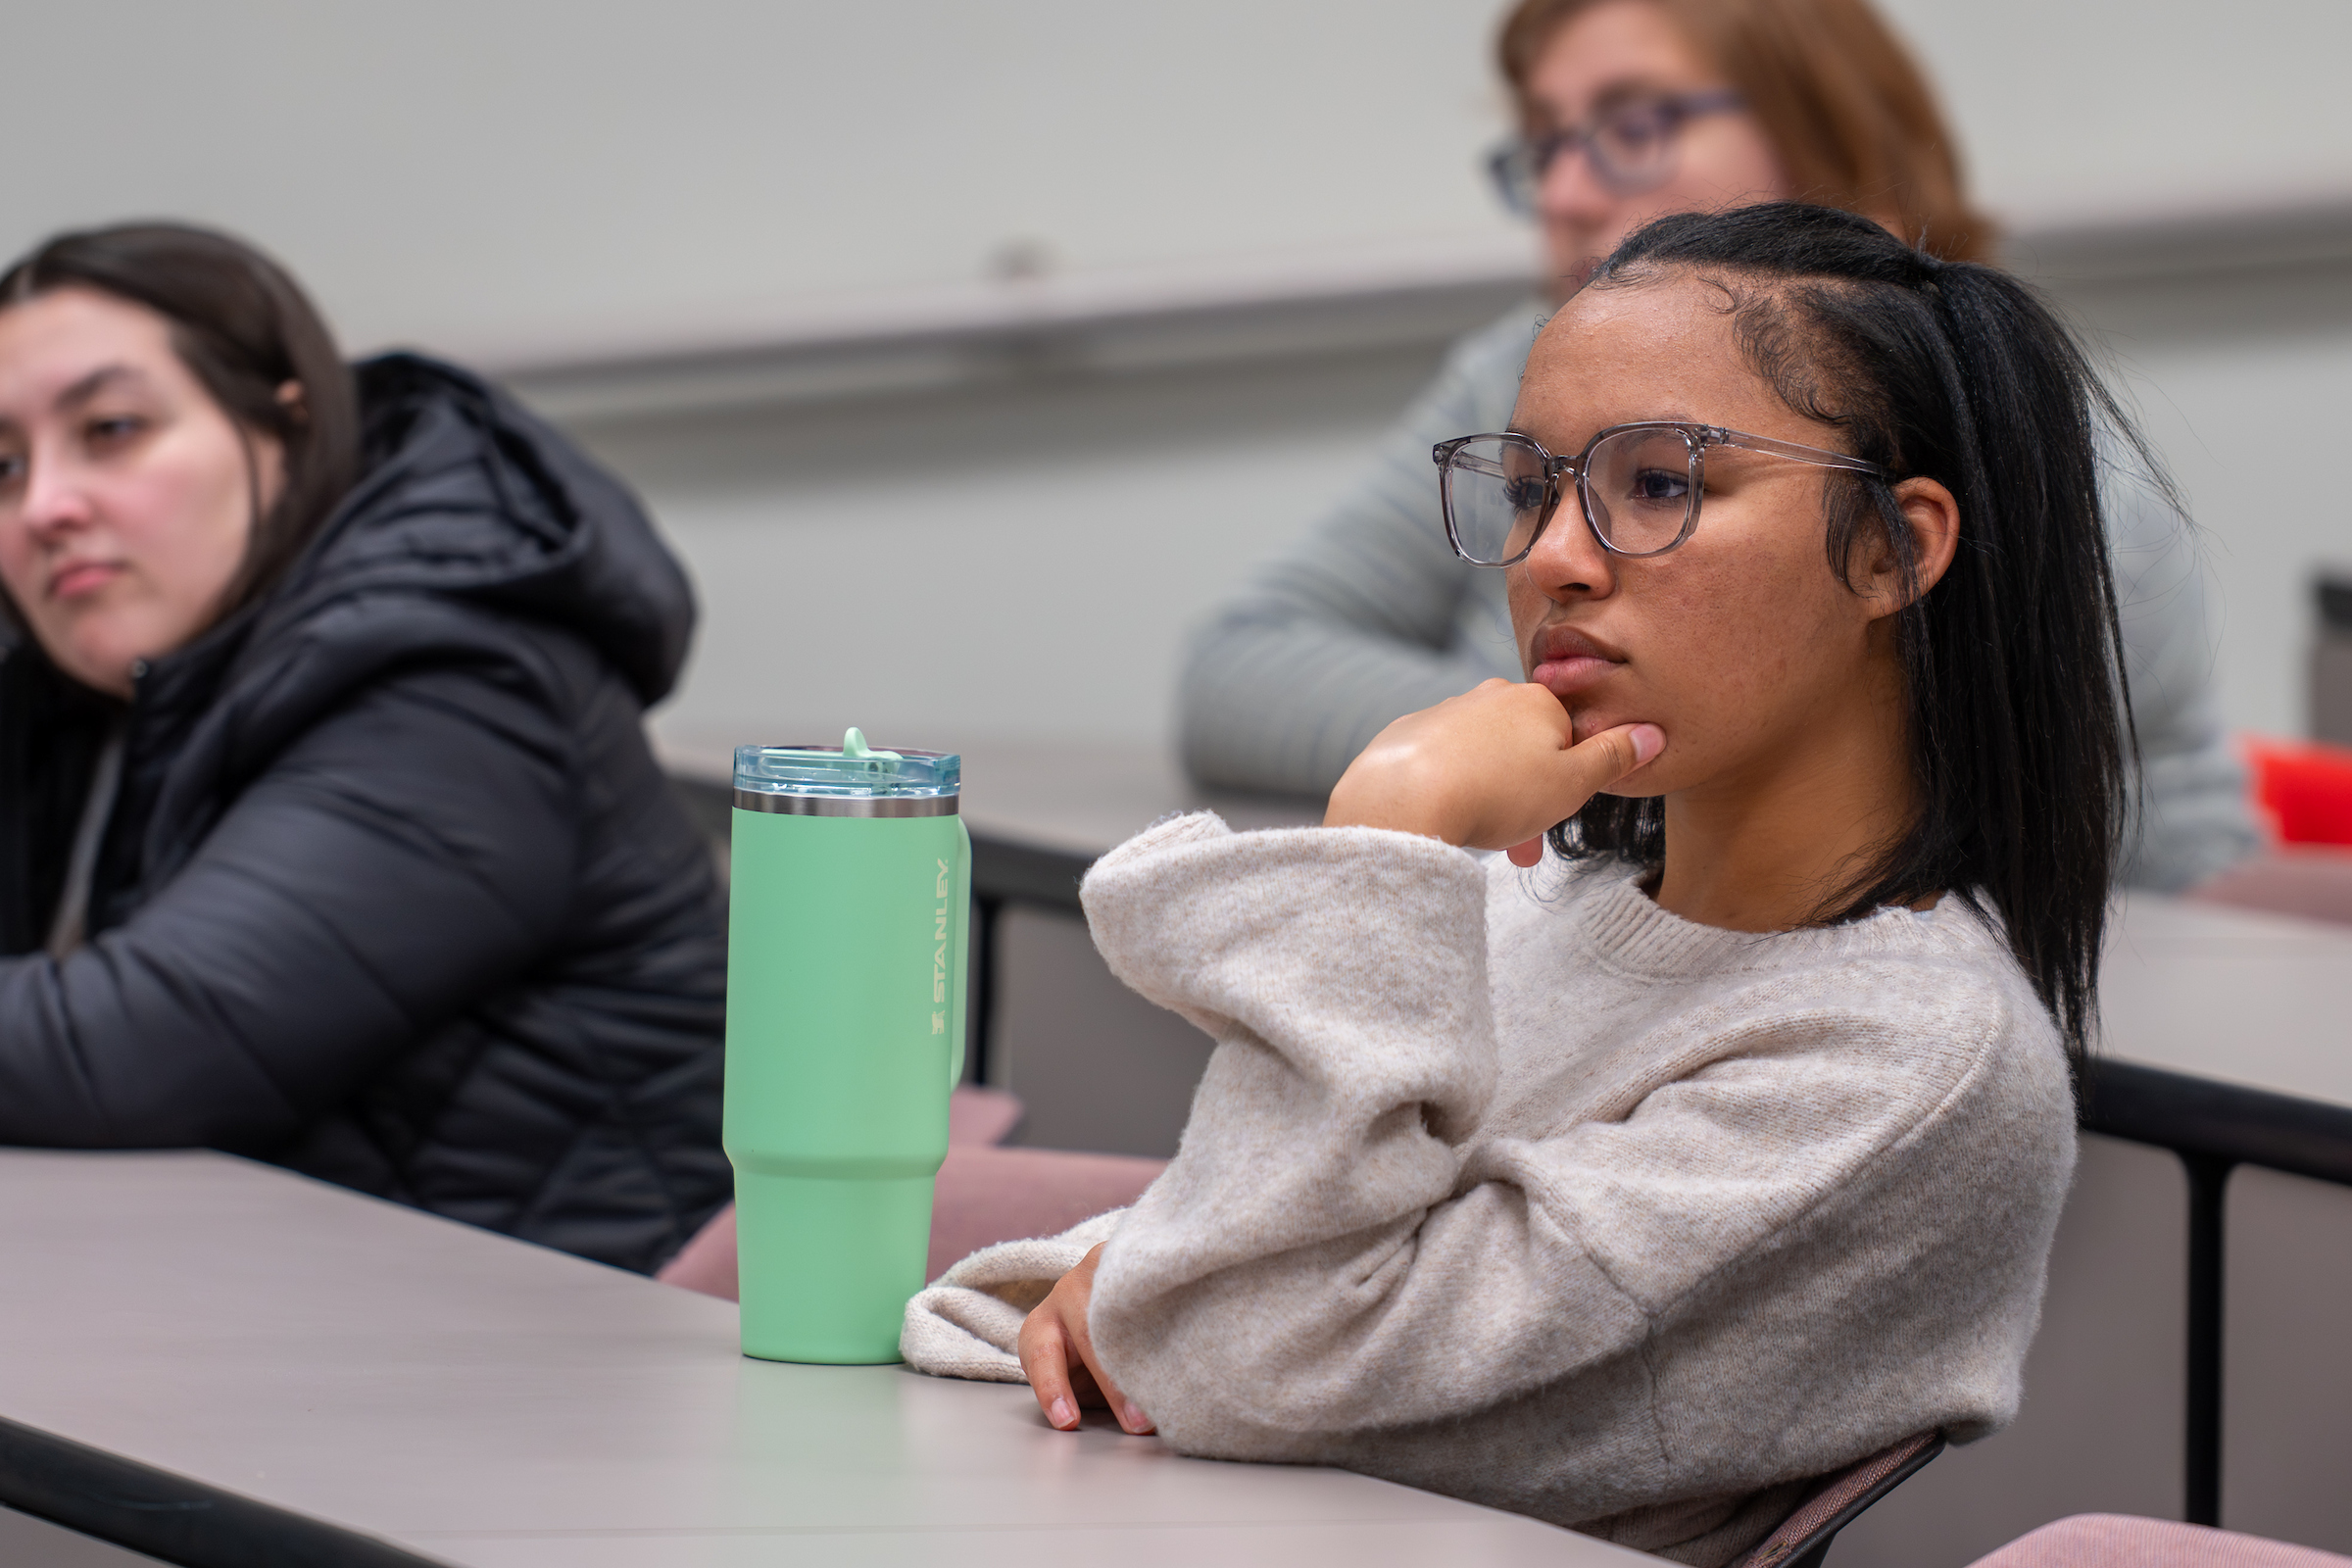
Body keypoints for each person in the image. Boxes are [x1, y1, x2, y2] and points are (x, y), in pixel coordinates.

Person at [904, 202, 2126, 1565]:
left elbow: (1237, 1352)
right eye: (1532, 489)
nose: (1553, 555)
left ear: (1894, 549)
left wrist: (1388, 842)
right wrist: (1154, 1295)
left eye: (1659, 484)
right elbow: (1180, 1291)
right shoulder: (1539, 904)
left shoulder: (1911, 1068)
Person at [1177, 0, 2256, 893]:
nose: (1563, 193)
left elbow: (1873, 799)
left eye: (1633, 126)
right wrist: (1485, 752)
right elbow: (1240, 665)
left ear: (1826, 135)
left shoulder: (2002, 430)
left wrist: (1531, 731)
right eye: (1545, 142)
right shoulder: (1514, 363)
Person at [0, 223, 729, 1273]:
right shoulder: (102, 689)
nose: (46, 506)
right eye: (4, 464)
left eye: (111, 428)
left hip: (552, 1354)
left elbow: (135, 1048)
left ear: (284, 431)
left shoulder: (457, 678)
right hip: (284, 1318)